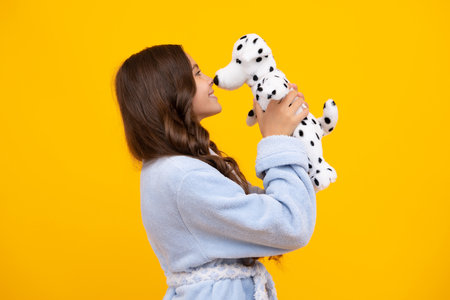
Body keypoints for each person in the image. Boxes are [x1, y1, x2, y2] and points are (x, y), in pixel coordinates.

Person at [114, 44, 316, 300]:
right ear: (170, 90)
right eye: (197, 73)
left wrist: (288, 142)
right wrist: (276, 140)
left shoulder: (174, 169)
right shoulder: (183, 177)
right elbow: (290, 223)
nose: (210, 79)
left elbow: (272, 212)